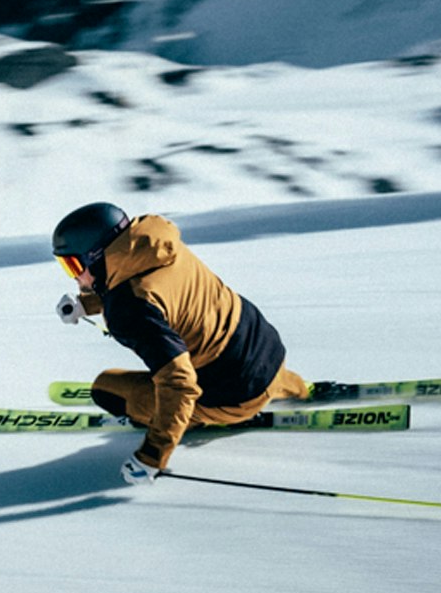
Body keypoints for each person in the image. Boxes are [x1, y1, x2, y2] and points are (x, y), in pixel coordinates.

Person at [52, 202, 307, 485]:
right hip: (266, 348)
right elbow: (150, 289)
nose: (74, 276)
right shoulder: (155, 246)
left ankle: (214, 416)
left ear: (97, 256)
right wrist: (85, 305)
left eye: (73, 264)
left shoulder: (129, 309)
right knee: (196, 354)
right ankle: (295, 387)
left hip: (236, 393)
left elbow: (180, 384)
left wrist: (151, 456)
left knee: (106, 389)